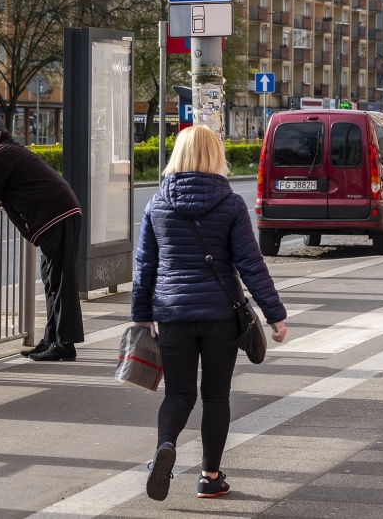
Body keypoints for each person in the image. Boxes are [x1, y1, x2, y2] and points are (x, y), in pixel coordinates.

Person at [131, 125, 287, 501]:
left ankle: (164, 448)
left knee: (179, 394)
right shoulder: (230, 203)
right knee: (216, 395)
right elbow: (251, 264)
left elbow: (144, 266)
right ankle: (209, 477)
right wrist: (275, 313)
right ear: (216, 155)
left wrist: (141, 315)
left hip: (171, 314)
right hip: (220, 314)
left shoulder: (158, 202)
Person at [0, 116, 84, 362]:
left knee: (60, 281)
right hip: (59, 213)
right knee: (53, 280)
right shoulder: (5, 151)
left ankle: (64, 345)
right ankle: (53, 340)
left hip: (55, 215)